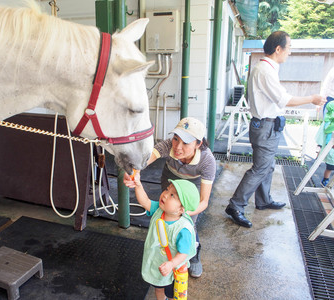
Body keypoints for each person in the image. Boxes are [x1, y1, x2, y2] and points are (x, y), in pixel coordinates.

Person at [225, 31, 326, 228]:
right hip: (265, 126)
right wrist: (311, 99)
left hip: (267, 125)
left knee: (268, 166)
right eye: (288, 48)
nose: (289, 52)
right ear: (278, 49)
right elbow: (284, 100)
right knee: (260, 168)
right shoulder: (265, 70)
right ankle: (235, 205)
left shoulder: (267, 68)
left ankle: (263, 200)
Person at [124, 117, 216, 278]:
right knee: (165, 213)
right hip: (171, 178)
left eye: (186, 143)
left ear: (198, 144)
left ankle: (192, 255)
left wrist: (184, 214)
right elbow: (144, 161)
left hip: (192, 185)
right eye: (175, 139)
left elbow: (203, 201)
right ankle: (163, 251)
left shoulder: (207, 161)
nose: (178, 147)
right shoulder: (168, 145)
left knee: (188, 225)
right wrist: (133, 174)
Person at [127, 172, 198, 300]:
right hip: (157, 263)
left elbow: (184, 253)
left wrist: (171, 264)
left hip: (172, 269)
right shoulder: (159, 210)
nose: (165, 194)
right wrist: (138, 185)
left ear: (181, 209)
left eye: (172, 195)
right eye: (167, 189)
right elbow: (145, 201)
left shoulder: (183, 229)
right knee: (158, 288)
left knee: (172, 293)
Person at [315, 101, 334, 186]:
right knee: (329, 167)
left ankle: (327, 181)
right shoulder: (329, 123)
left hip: (329, 148)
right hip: (331, 148)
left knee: (329, 167)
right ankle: (325, 180)